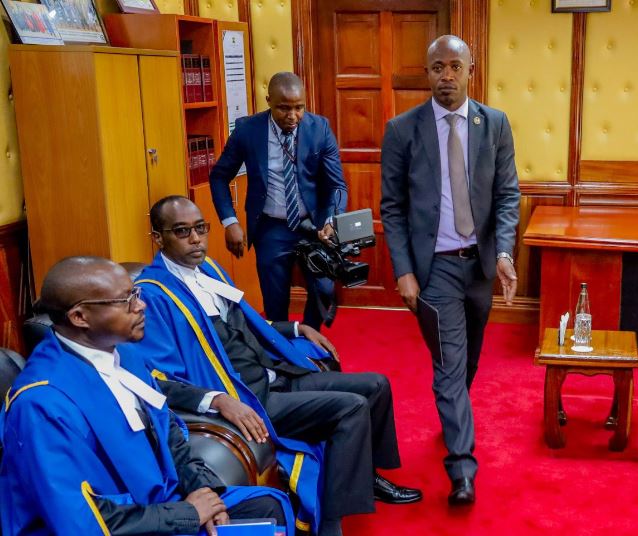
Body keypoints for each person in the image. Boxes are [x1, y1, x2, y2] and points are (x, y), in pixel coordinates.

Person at [135, 196, 421, 536]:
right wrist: (218, 400)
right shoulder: (152, 295)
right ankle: (331, 522)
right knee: (351, 408)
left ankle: (367, 475)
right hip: (250, 396)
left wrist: (297, 328)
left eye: (200, 228)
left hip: (273, 373)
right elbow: (154, 378)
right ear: (158, 237)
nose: (196, 239)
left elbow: (249, 320)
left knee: (375, 385)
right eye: (182, 231)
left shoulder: (208, 268)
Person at [0, 256, 293, 535]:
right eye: (126, 300)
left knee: (265, 507)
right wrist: (187, 514)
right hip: (116, 525)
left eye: (136, 293)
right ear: (79, 316)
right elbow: (79, 518)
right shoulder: (41, 404)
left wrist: (204, 490)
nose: (141, 306)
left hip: (160, 505)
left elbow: (169, 432)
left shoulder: (124, 354)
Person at [380, 35, 521, 505]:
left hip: (479, 265)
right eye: (437, 67)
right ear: (427, 73)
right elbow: (393, 208)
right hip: (434, 268)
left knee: (468, 362)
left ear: (470, 70)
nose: (446, 76)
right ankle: (462, 468)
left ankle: (454, 415)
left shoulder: (495, 124)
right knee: (448, 365)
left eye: (454, 67)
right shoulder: (403, 130)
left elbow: (506, 196)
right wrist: (403, 270)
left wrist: (503, 253)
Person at [210, 71, 348, 330]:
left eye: (299, 108)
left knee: (324, 287)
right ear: (268, 101)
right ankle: (282, 351)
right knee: (275, 301)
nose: (293, 116)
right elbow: (219, 176)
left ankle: (308, 338)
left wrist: (332, 218)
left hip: (314, 224)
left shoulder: (320, 128)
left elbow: (336, 184)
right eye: (284, 108)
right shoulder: (247, 131)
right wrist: (230, 221)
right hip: (272, 227)